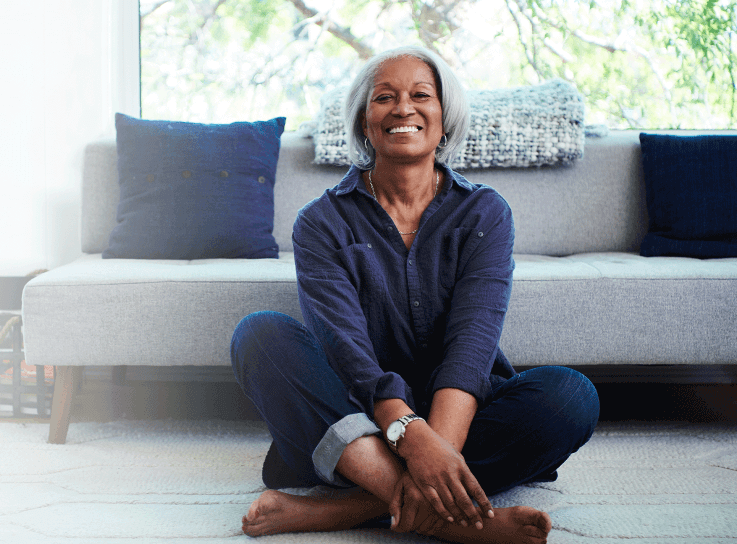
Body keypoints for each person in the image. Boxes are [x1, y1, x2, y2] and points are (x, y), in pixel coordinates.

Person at [230, 45, 599, 544]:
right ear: (365, 122)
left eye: (421, 95)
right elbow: (346, 352)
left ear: (444, 120)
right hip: (359, 413)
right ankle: (453, 518)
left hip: (462, 414)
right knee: (258, 335)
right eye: (385, 97)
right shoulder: (320, 222)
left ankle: (343, 510)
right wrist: (408, 432)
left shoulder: (485, 213)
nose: (404, 107)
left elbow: (473, 347)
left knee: (572, 397)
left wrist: (433, 448)